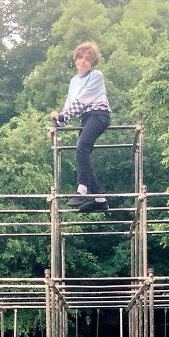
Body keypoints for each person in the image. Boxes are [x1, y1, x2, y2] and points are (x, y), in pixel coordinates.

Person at [48, 41, 111, 213]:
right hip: (85, 118)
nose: (82, 61)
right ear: (75, 59)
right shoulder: (73, 81)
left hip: (99, 115)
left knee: (81, 146)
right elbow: (69, 104)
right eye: (80, 58)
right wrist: (57, 125)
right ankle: (100, 199)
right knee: (82, 155)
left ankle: (82, 189)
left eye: (87, 59)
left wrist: (62, 117)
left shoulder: (97, 76)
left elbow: (82, 100)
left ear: (92, 63)